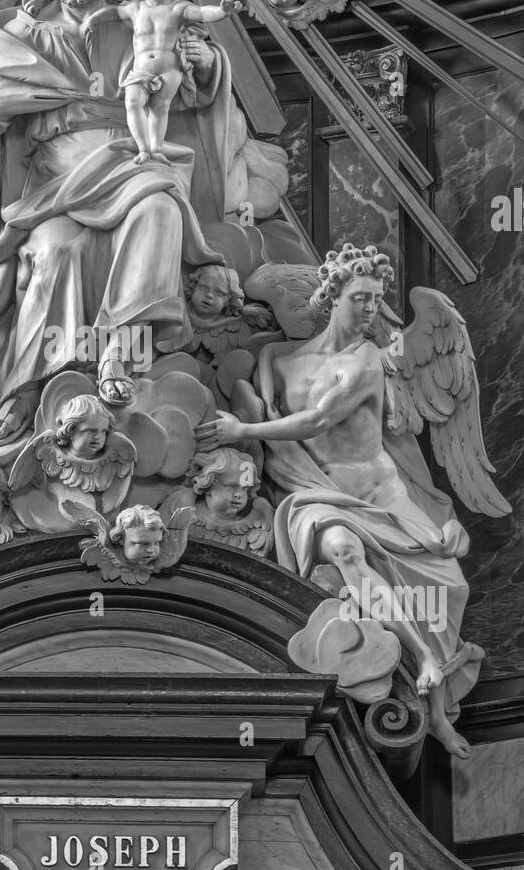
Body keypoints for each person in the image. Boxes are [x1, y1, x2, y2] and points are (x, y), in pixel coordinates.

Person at [0, 0, 289, 446]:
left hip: (131, 154)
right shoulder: (18, 36)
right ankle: (29, 387)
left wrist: (204, 65)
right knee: (57, 249)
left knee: (158, 209)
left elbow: (186, 89)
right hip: (55, 177)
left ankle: (120, 345)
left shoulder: (135, 21)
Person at [196, 243, 484, 757]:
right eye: (361, 298)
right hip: (313, 493)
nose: (371, 309)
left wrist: (242, 425)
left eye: (377, 300)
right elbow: (269, 434)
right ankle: (420, 659)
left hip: (382, 494)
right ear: (332, 298)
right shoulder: (275, 357)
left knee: (446, 590)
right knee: (345, 552)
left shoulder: (369, 359)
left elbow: (316, 420)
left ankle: (437, 714)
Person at [87, 0, 242, 163]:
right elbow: (111, 14)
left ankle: (156, 148)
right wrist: (92, 21)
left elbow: (202, 12)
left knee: (160, 107)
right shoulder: (135, 8)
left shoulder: (178, 9)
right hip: (140, 71)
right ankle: (142, 148)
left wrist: (221, 11)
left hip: (169, 70)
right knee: (133, 102)